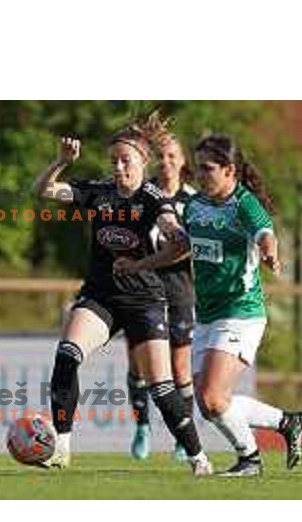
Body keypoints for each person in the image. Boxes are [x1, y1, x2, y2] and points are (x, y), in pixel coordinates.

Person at [117, 133, 302, 477]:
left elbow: (266, 233)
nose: (200, 174)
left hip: (241, 313)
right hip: (206, 315)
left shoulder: (244, 203)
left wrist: (270, 254)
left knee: (212, 398)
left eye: (207, 168)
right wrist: (138, 265)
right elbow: (181, 249)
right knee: (212, 404)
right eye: (198, 167)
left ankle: (250, 459)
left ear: (230, 170)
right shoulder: (195, 205)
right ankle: (286, 421)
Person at [32, 126, 212, 476]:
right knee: (67, 356)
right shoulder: (98, 191)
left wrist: (167, 239)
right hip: (100, 296)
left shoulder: (153, 198)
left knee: (162, 388)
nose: (117, 167)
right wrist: (60, 162)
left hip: (144, 299)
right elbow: (42, 190)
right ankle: (62, 447)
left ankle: (197, 456)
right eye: (112, 160)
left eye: (124, 160)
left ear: (143, 161)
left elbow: (179, 240)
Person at [127, 116, 196, 461]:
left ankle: (184, 437)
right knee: (140, 367)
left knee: (180, 369)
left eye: (173, 156)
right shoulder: (144, 194)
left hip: (181, 291)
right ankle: (142, 426)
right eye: (162, 157)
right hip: (142, 288)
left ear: (183, 161)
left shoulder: (194, 201)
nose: (167, 163)